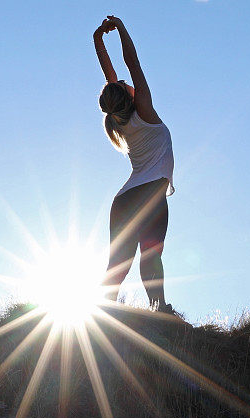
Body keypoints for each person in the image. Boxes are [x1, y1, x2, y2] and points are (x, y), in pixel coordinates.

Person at [94, 15, 177, 315]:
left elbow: (113, 77)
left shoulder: (119, 119)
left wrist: (98, 39)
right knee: (151, 255)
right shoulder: (143, 109)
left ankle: (103, 312)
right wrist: (122, 28)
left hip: (125, 199)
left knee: (119, 263)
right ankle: (160, 308)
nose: (129, 83)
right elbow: (133, 63)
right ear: (129, 93)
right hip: (150, 194)